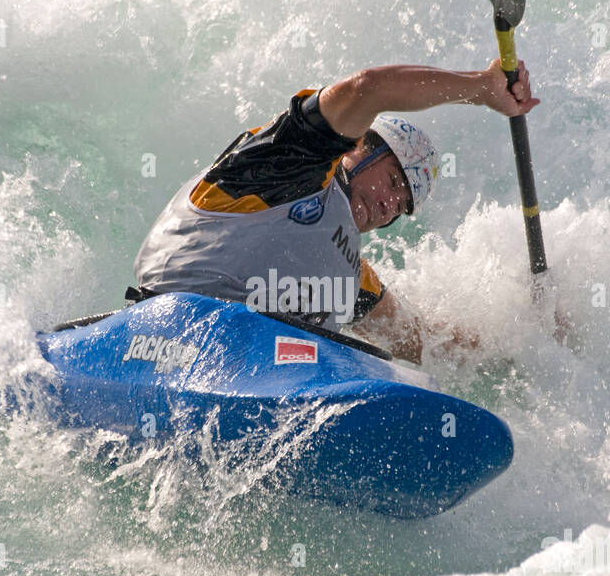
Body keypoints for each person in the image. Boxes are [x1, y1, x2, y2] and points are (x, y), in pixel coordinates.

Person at [133, 58, 539, 362]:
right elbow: (371, 87)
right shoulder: (291, 162)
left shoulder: (350, 277)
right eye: (394, 182)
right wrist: (481, 88)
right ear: (361, 148)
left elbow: (423, 342)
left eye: (401, 205)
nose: (387, 205)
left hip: (240, 368)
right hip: (159, 333)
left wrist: (527, 338)